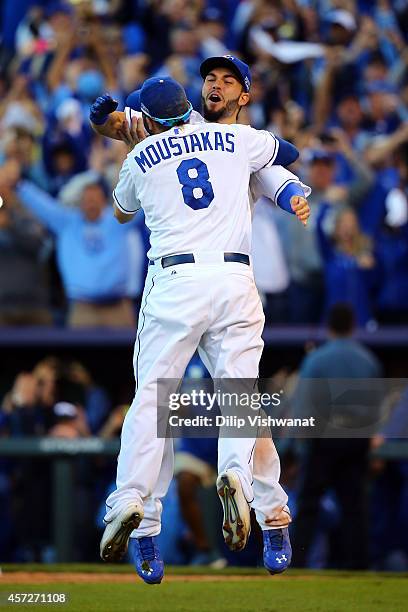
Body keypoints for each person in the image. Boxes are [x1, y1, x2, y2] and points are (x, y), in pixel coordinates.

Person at [91, 54, 311, 574]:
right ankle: (253, 496)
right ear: (191, 100)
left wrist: (126, 132)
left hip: (175, 282)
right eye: (209, 78)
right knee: (242, 400)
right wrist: (292, 188)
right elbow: (288, 154)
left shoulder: (145, 153)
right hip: (235, 278)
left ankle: (134, 509)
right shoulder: (238, 140)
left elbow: (123, 205)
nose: (216, 84)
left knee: (152, 400)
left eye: (226, 80)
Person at [291, 303, 382, 569]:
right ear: (352, 325)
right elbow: (376, 405)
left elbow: (305, 404)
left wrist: (296, 444)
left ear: (329, 326)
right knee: (355, 507)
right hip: (356, 438)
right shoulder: (367, 359)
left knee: (309, 504)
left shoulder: (317, 359)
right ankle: (360, 565)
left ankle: (297, 563)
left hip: (324, 439)